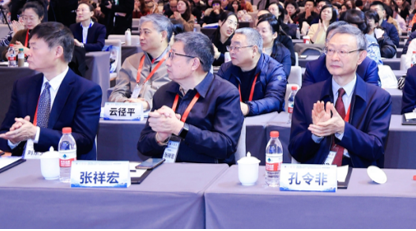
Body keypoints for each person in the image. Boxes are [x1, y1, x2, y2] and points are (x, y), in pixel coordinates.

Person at [290, 23, 391, 168]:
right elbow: (295, 151)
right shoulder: (306, 96)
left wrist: (343, 129)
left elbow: (376, 148)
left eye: (342, 52)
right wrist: (316, 134)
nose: (334, 57)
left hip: (357, 173)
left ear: (360, 57)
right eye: (330, 50)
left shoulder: (378, 98)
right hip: (319, 173)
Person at [0, 22, 101, 159]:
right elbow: (2, 137)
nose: (28, 53)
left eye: (34, 48)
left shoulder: (86, 90)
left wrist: (36, 133)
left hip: (65, 164)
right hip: (25, 163)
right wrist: (14, 138)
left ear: (57, 52)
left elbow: (83, 141)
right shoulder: (23, 85)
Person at [137, 31, 244, 164]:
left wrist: (180, 129)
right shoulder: (164, 93)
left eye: (173, 56)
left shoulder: (225, 93)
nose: (167, 62)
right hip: (167, 170)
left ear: (194, 63)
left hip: (207, 172)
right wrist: (160, 137)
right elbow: (142, 146)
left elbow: (225, 146)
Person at [216, 26, 287, 117]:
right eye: (230, 47)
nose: (232, 52)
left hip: (263, 121)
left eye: (237, 47)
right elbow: (215, 95)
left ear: (254, 50)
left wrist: (248, 108)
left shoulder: (274, 70)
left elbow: (274, 101)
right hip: (231, 120)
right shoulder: (226, 69)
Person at [109, 14, 173, 110]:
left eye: (146, 32)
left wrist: (147, 105)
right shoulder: (131, 61)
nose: (141, 37)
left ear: (163, 35)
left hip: (163, 116)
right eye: (140, 33)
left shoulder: (177, 63)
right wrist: (127, 102)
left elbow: (181, 98)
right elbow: (116, 94)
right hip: (133, 114)